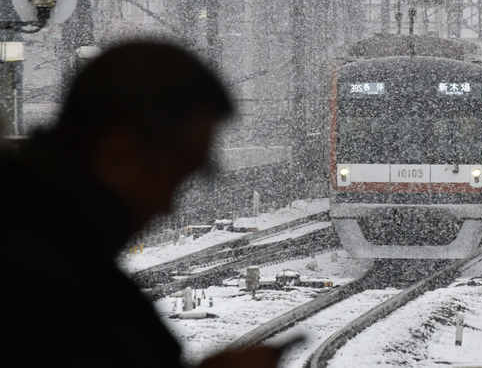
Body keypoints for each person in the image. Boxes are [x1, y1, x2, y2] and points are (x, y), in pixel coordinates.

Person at [0, 41, 283, 368]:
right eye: (173, 179)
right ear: (119, 153)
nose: (167, 207)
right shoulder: (50, 285)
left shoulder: (51, 244)